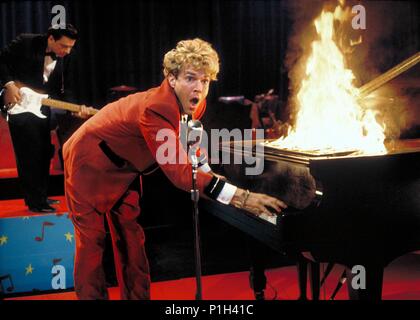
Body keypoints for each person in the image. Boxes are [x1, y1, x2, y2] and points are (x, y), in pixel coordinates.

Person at [63, 38, 287, 300]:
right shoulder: (157, 109)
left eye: (205, 81)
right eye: (191, 78)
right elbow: (182, 175)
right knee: (91, 244)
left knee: (132, 241)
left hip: (128, 168)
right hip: (88, 162)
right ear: (171, 78)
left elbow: (191, 144)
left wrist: (209, 172)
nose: (199, 88)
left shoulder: (195, 103)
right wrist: (241, 197)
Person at [0, 24, 89, 213]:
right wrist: (9, 85)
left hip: (42, 107)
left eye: (71, 46)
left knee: (42, 153)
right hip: (19, 105)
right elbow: (2, 61)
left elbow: (67, 89)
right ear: (50, 39)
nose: (67, 51)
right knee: (29, 155)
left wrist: (75, 108)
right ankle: (35, 202)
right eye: (64, 46)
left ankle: (40, 197)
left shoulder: (67, 56)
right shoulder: (26, 42)